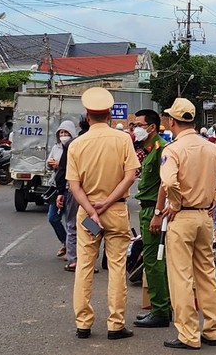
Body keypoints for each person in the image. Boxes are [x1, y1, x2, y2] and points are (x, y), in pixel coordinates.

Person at [155, 98, 216, 350]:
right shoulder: (210, 148)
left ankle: (188, 334)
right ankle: (212, 330)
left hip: (181, 217)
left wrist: (176, 203)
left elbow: (169, 183)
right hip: (205, 216)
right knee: (206, 274)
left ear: (172, 121)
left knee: (181, 276)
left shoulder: (172, 150)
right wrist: (215, 195)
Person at [65, 88, 139, 340]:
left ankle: (83, 323)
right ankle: (115, 324)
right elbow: (130, 176)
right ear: (109, 114)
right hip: (116, 210)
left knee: (84, 266)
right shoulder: (122, 140)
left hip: (87, 213)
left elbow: (74, 185)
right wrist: (107, 203)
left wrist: (92, 209)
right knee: (117, 267)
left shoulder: (76, 144)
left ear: (87, 116)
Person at [131, 111, 172, 330]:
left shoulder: (160, 149)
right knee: (157, 262)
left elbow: (165, 184)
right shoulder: (148, 150)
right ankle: (164, 306)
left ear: (152, 127)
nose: (135, 128)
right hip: (148, 209)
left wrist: (157, 213)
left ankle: (160, 311)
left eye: (139, 124)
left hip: (153, 212)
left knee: (154, 263)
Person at [46, 123, 74, 267]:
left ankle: (90, 247)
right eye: (61, 133)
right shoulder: (56, 147)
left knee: (81, 222)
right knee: (53, 218)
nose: (63, 135)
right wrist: (51, 164)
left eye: (66, 132)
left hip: (74, 190)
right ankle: (66, 244)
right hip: (59, 188)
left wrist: (60, 165)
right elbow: (52, 167)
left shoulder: (75, 147)